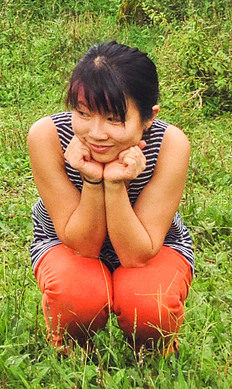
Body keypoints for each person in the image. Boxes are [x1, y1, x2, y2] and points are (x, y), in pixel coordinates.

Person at [27, 41, 192, 351]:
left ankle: (154, 353)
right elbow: (83, 246)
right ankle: (71, 349)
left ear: (148, 117)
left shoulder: (171, 145)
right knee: (77, 295)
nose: (96, 133)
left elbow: (137, 255)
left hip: (152, 247)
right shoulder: (47, 136)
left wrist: (116, 185)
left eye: (115, 118)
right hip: (69, 244)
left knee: (148, 305)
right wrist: (91, 180)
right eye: (84, 113)